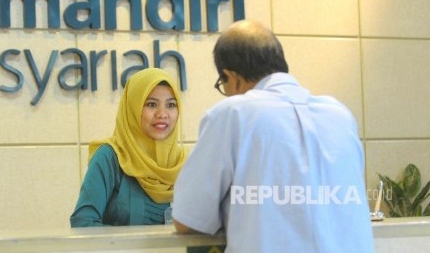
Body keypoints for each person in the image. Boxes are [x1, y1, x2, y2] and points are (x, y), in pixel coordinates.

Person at [172, 20, 374, 252]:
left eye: (223, 84)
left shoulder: (233, 114)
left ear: (232, 77)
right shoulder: (340, 115)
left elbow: (188, 220)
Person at [70, 68, 186, 227]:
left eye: (171, 105)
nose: (163, 114)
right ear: (133, 108)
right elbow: (83, 223)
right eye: (152, 104)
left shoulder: (183, 164)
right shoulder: (110, 157)